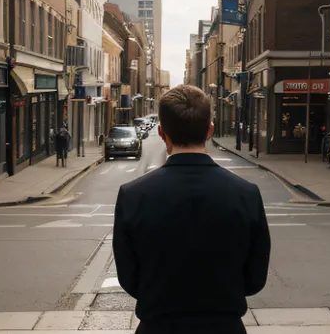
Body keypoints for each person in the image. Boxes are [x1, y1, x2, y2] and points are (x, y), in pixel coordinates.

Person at [113, 85, 271, 334]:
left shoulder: (132, 196)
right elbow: (255, 279)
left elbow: (129, 278)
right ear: (210, 130)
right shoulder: (247, 194)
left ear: (162, 132)